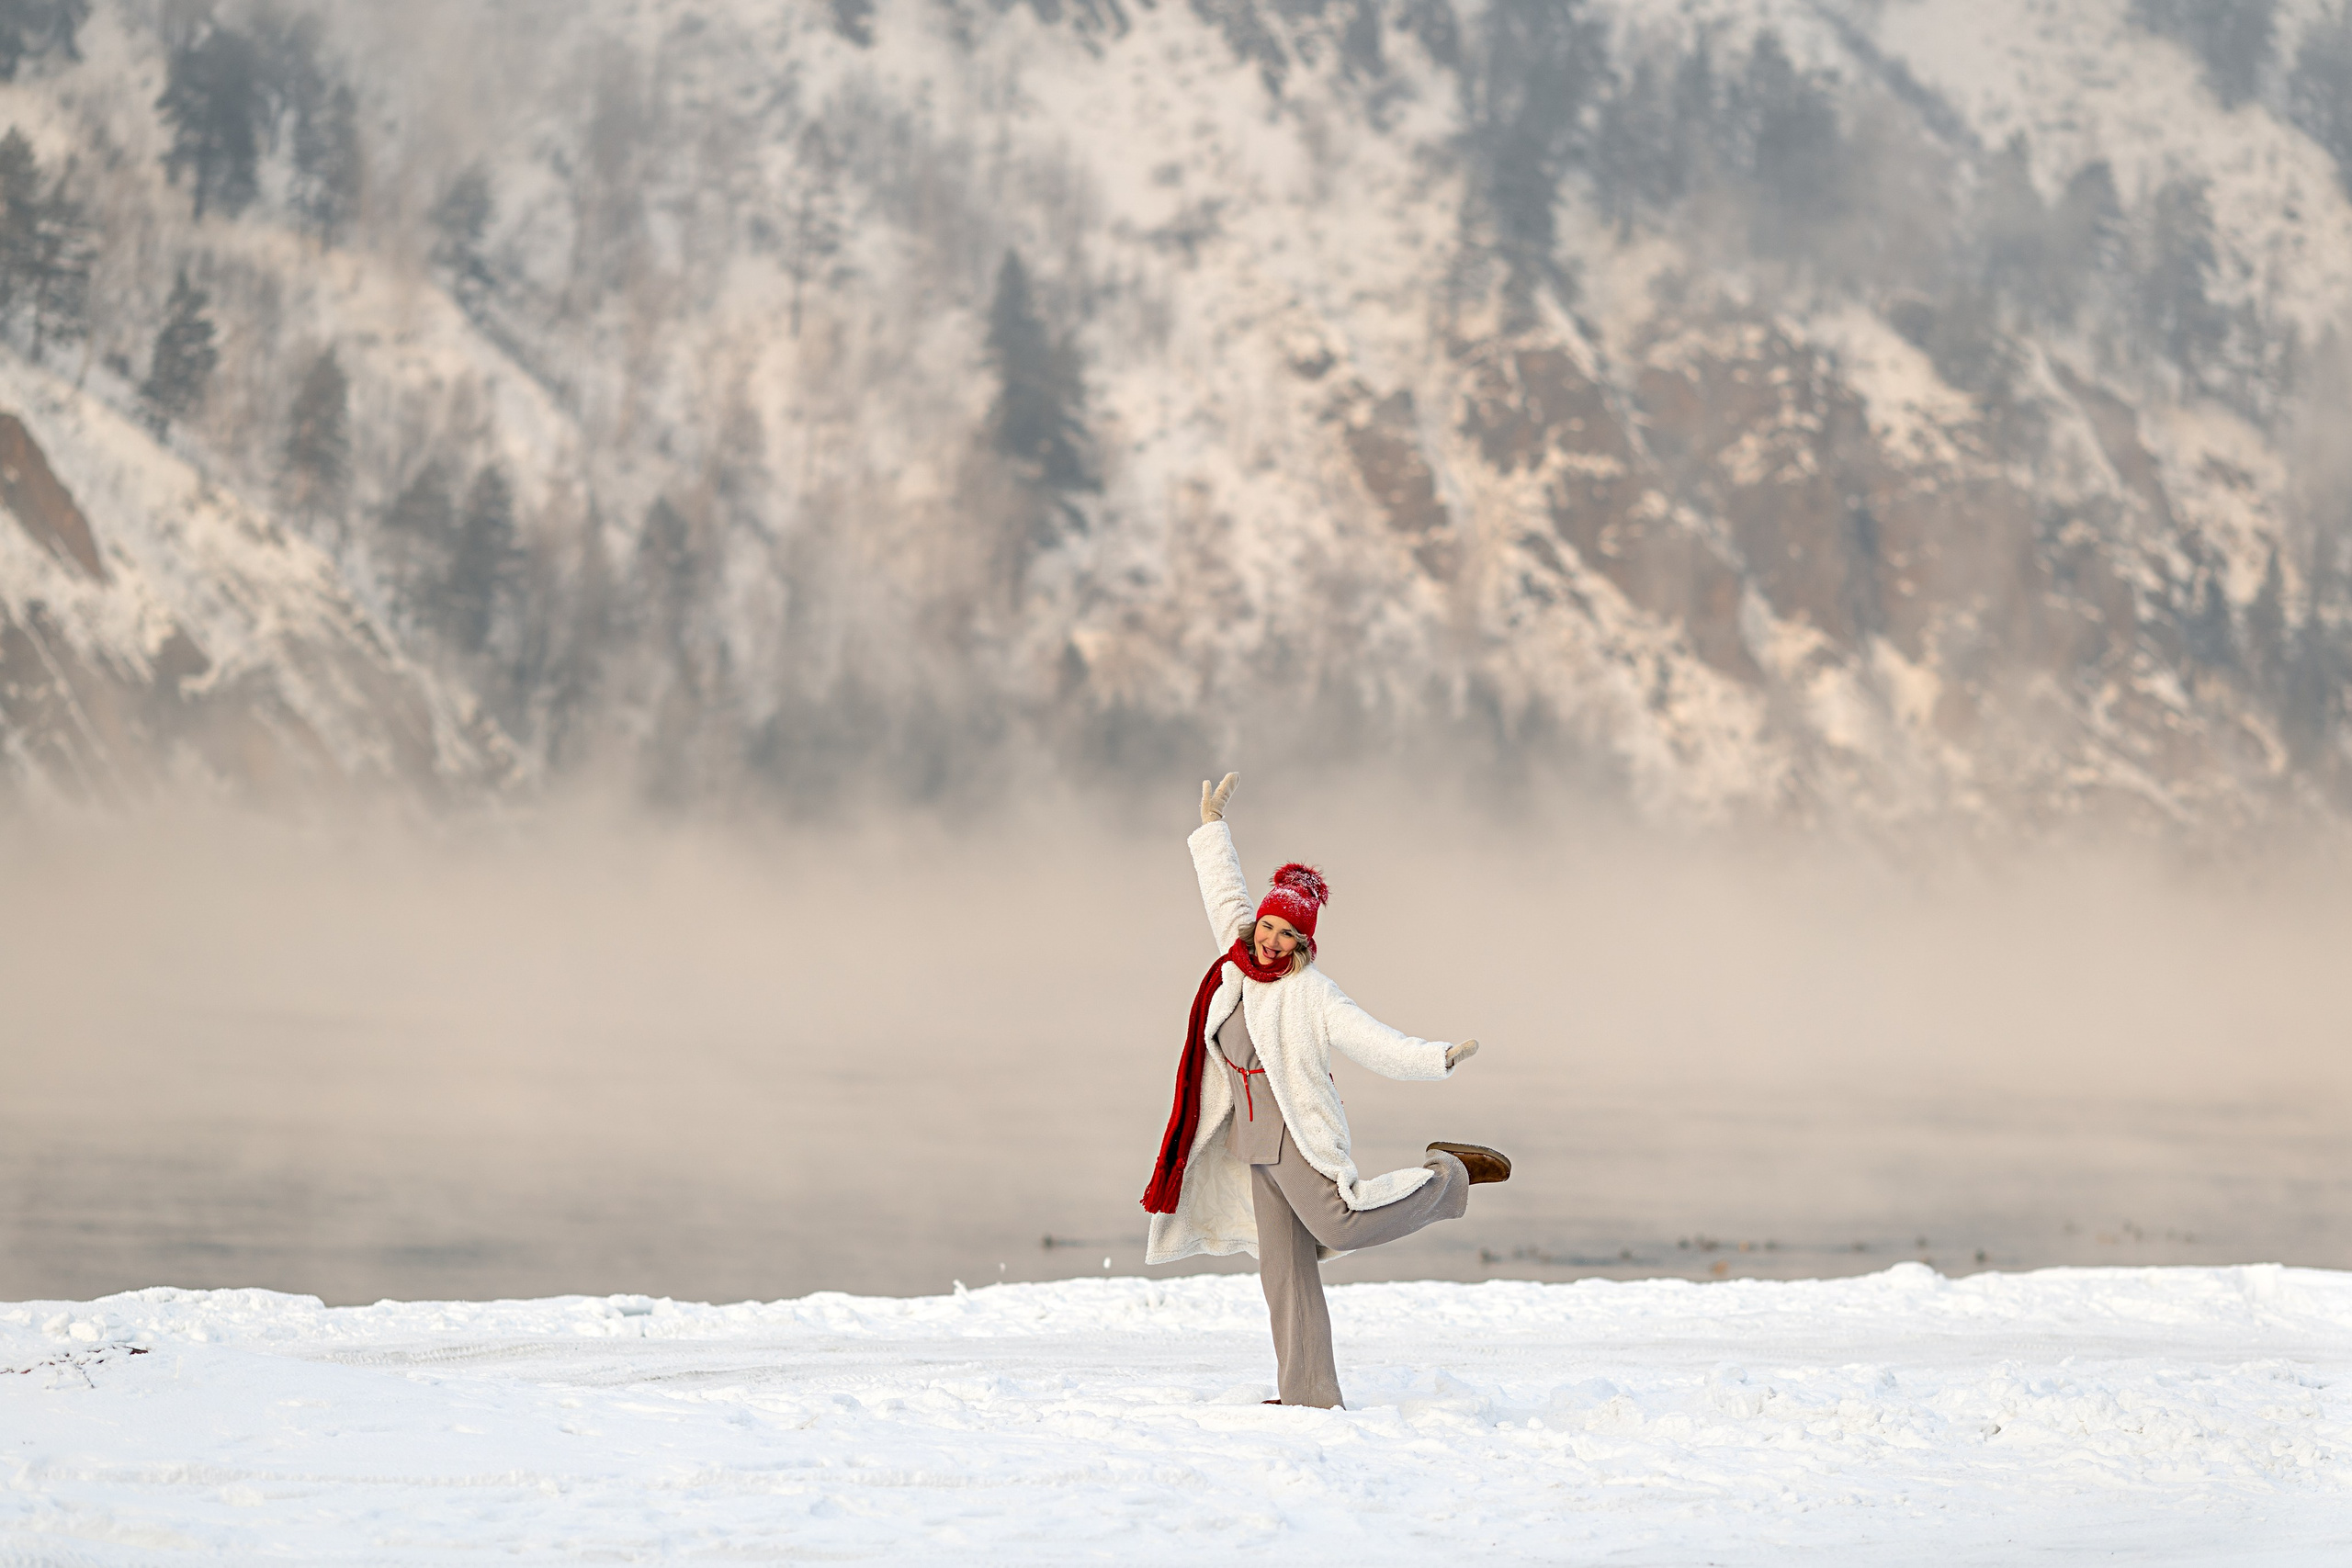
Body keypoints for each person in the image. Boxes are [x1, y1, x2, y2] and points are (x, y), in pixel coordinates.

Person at [1139, 772, 1510, 1409]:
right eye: (1270, 925)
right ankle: (1308, 1393)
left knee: (1343, 1224)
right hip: (1250, 1147)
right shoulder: (1236, 964)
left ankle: (1447, 1178)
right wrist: (1211, 826)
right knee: (1283, 1274)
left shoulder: (1311, 992)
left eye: (1289, 934)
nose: (1273, 939)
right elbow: (1222, 889)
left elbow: (1373, 1040)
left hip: (1295, 1138)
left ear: (1304, 944)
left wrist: (1436, 1058)